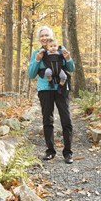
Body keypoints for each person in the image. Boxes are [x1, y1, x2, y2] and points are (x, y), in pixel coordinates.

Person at [28, 26, 75, 164]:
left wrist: (69, 58)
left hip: (61, 88)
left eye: (47, 35)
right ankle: (50, 151)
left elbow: (71, 69)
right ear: (38, 39)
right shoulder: (37, 52)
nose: (44, 37)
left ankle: (68, 152)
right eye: (42, 36)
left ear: (52, 36)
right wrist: (37, 60)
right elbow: (31, 75)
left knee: (66, 119)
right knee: (47, 119)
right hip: (45, 88)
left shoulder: (60, 49)